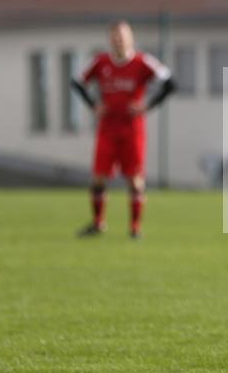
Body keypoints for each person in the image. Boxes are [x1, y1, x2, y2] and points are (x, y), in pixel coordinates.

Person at [71, 20, 175, 239]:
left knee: (135, 179)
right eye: (115, 36)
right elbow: (77, 82)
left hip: (132, 129)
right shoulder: (100, 62)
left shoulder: (142, 62)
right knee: (99, 178)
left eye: (123, 36)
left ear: (131, 39)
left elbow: (170, 83)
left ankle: (135, 228)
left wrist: (147, 105)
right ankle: (98, 223)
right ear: (110, 39)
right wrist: (93, 105)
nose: (119, 40)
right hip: (107, 128)